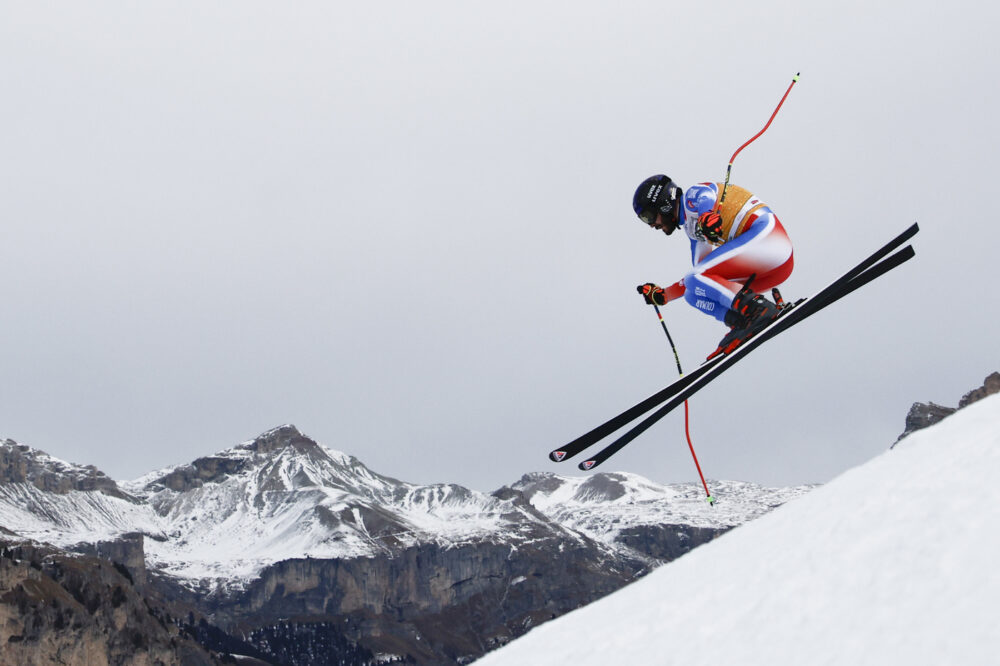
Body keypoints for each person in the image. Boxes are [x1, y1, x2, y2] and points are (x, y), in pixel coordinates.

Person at [631, 174, 794, 359]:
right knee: (693, 293)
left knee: (696, 277)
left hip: (770, 241)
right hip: (773, 268)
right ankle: (741, 322)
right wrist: (666, 295)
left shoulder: (692, 198)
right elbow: (700, 278)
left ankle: (758, 310)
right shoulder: (693, 230)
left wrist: (707, 214)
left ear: (664, 204)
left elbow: (706, 195)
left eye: (649, 216)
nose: (652, 225)